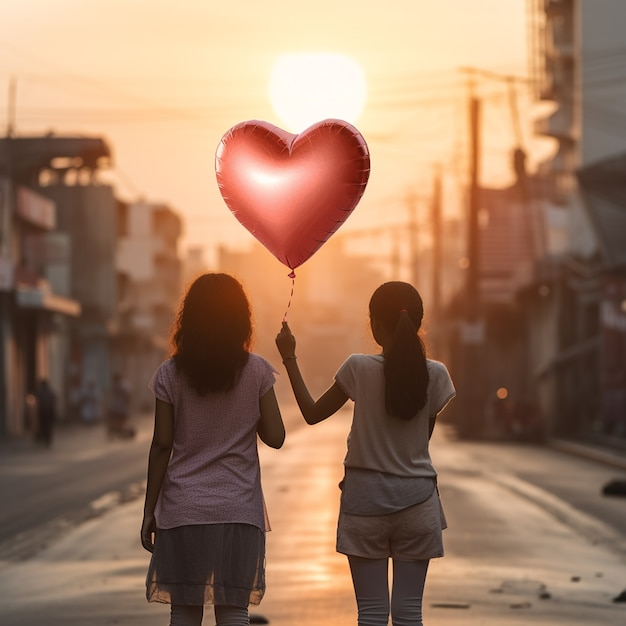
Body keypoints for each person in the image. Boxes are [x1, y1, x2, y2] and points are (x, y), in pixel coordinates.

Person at [275, 281, 455, 626]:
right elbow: (422, 440)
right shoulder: (436, 374)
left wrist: (289, 357)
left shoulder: (358, 367)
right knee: (409, 615)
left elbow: (312, 413)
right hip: (418, 501)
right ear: (418, 322)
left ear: (374, 323)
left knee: (371, 615)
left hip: (365, 501)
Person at [141, 272, 285, 626]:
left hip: (183, 509)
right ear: (241, 320)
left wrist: (149, 512)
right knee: (235, 611)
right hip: (238, 508)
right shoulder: (257, 371)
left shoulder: (170, 374)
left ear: (189, 318)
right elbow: (277, 436)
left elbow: (162, 445)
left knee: (185, 612)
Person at [35, 378, 57, 447]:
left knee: (45, 426)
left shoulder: (41, 392)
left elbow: (37, 400)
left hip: (44, 411)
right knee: (47, 426)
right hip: (47, 411)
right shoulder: (49, 392)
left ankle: (46, 439)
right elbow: (54, 399)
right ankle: (47, 439)